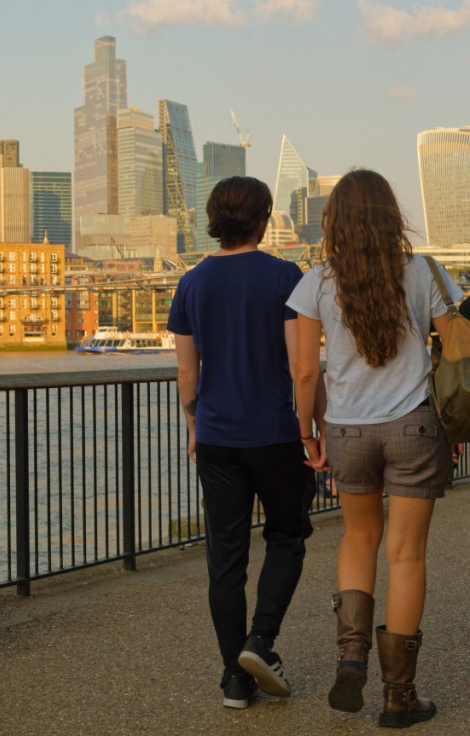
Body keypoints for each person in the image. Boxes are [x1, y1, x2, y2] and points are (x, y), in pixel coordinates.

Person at [288, 169, 460, 727]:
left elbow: (305, 371)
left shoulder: (316, 281)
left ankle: (352, 656)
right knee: (406, 555)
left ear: (333, 220)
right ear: (392, 216)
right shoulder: (424, 272)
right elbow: (458, 350)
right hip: (414, 426)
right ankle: (399, 698)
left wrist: (308, 435)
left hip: (347, 430)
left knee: (359, 538)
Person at [167, 176, 318, 709]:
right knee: (287, 537)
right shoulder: (285, 276)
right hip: (276, 433)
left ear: (213, 219)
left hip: (216, 436)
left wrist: (193, 425)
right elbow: (302, 366)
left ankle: (236, 678)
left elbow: (188, 372)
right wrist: (310, 432)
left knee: (225, 559)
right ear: (264, 216)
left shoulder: (191, 283)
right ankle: (262, 641)